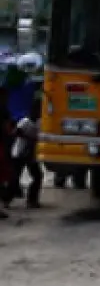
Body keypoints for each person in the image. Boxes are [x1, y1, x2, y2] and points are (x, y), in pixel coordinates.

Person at [5, 53, 43, 207]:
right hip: (23, 131)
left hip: (15, 126)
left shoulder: (10, 87)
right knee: (31, 173)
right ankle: (28, 200)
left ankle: (8, 198)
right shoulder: (31, 89)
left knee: (15, 169)